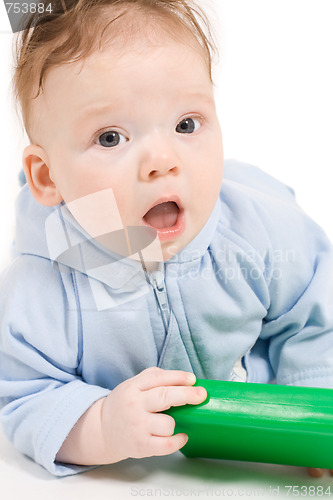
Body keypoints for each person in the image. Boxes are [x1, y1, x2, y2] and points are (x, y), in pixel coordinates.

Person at [0, 0, 333, 479]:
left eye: (186, 125)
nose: (162, 159)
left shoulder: (257, 230)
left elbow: (312, 311)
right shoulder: (43, 286)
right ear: (48, 176)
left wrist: (311, 410)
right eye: (111, 137)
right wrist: (101, 426)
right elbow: (26, 395)